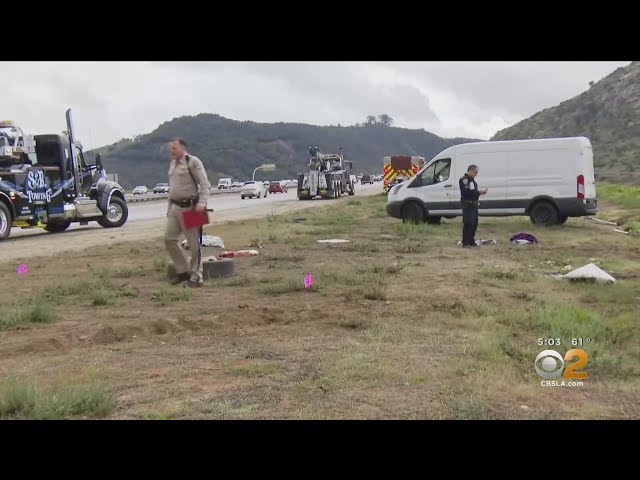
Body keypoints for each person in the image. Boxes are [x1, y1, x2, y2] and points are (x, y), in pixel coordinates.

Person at [165, 137, 212, 287]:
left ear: (183, 148)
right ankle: (182, 271)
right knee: (169, 239)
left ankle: (196, 276)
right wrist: (169, 206)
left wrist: (202, 203)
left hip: (191, 208)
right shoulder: (173, 164)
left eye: (174, 148)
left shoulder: (193, 162)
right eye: (171, 148)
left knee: (194, 245)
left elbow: (205, 184)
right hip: (175, 207)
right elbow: (173, 187)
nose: (172, 151)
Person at [459, 164, 487, 247]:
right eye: (475, 172)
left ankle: (471, 241)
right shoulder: (464, 180)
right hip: (468, 205)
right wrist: (478, 192)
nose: (476, 174)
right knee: (468, 223)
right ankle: (466, 242)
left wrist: (480, 193)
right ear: (470, 171)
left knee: (474, 223)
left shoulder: (473, 181)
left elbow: (474, 193)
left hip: (474, 206)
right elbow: (466, 192)